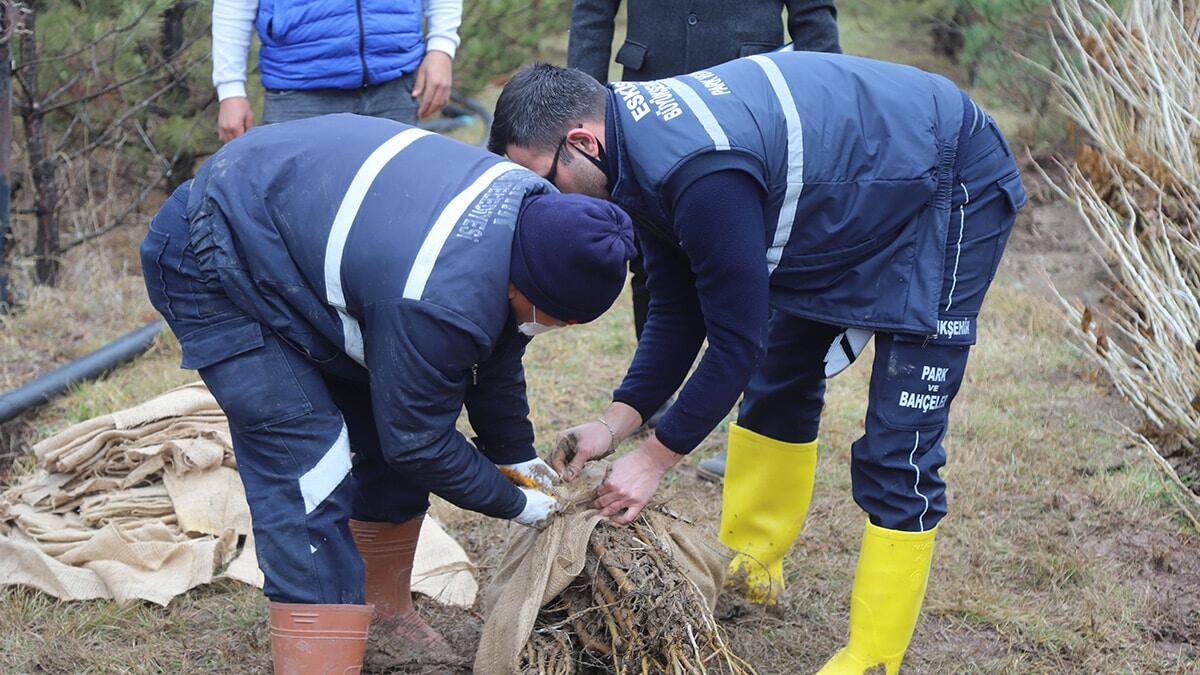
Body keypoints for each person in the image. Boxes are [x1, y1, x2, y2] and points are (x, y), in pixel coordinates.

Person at [489, 52, 1026, 673]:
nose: (550, 202)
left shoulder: (699, 172)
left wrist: (654, 460)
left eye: (546, 180)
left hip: (948, 176)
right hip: (844, 195)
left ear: (582, 142)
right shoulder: (630, 159)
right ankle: (753, 566)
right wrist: (615, 424)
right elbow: (677, 309)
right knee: (778, 381)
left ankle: (874, 655)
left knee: (896, 446)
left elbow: (733, 343)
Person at [140, 114, 635, 674]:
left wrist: (516, 456)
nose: (555, 331)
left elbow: (492, 350)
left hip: (308, 236)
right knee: (310, 460)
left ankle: (384, 612)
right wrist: (518, 504)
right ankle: (317, 662)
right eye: (556, 320)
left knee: (391, 416)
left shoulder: (534, 217)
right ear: (522, 283)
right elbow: (419, 443)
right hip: (214, 248)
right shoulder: (437, 294)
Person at [565, 0, 840, 435]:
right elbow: (592, 12)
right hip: (650, 90)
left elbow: (814, 14)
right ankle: (654, 398)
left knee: (753, 262)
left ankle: (756, 416)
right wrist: (582, 101)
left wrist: (821, 97)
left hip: (748, 100)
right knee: (653, 261)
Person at [212, 0, 461, 143]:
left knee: (397, 208)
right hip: (299, 93)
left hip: (394, 84)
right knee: (298, 215)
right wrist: (230, 89)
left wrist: (441, 46)